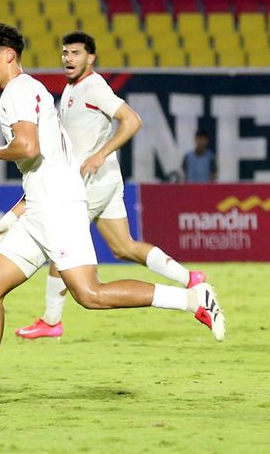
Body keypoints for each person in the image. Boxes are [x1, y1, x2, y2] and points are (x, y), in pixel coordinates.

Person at [0, 24, 225, 408]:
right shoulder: (34, 90)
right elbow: (47, 162)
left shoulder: (18, 92)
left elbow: (27, 147)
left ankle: (192, 299)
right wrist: (9, 218)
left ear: (8, 55)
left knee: (91, 294)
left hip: (57, 209)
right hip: (42, 207)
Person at [14, 32, 208, 340]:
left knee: (61, 246)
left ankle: (52, 321)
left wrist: (100, 154)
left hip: (90, 182)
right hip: (104, 178)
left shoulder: (94, 86)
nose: (68, 58)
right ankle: (192, 278)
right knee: (123, 246)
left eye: (76, 53)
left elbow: (132, 120)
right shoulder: (71, 88)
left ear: (90, 58)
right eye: (65, 53)